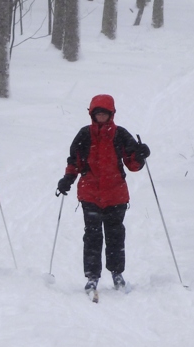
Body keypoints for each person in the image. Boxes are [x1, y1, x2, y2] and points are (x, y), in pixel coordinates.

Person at [56, 94, 150, 295]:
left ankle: (117, 273)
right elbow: (74, 162)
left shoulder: (121, 135)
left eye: (104, 113)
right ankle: (92, 276)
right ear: (92, 114)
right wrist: (68, 179)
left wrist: (140, 156)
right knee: (92, 236)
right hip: (90, 195)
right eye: (97, 113)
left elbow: (132, 165)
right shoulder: (84, 135)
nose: (100, 116)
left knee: (115, 235)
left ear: (111, 114)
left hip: (116, 196)